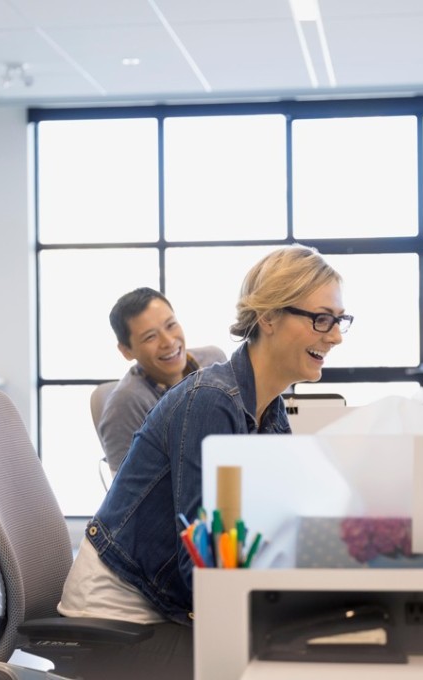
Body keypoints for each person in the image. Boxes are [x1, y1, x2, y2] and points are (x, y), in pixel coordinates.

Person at [58, 245, 348, 679]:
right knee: (288, 662)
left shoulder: (267, 408)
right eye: (321, 319)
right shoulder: (212, 403)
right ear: (268, 317)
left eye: (339, 321)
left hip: (162, 605)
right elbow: (205, 572)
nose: (335, 335)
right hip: (121, 622)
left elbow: (272, 522)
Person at [99, 287, 226, 474]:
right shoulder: (126, 403)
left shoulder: (213, 361)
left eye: (171, 325)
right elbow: (130, 494)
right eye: (150, 337)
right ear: (126, 351)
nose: (168, 341)